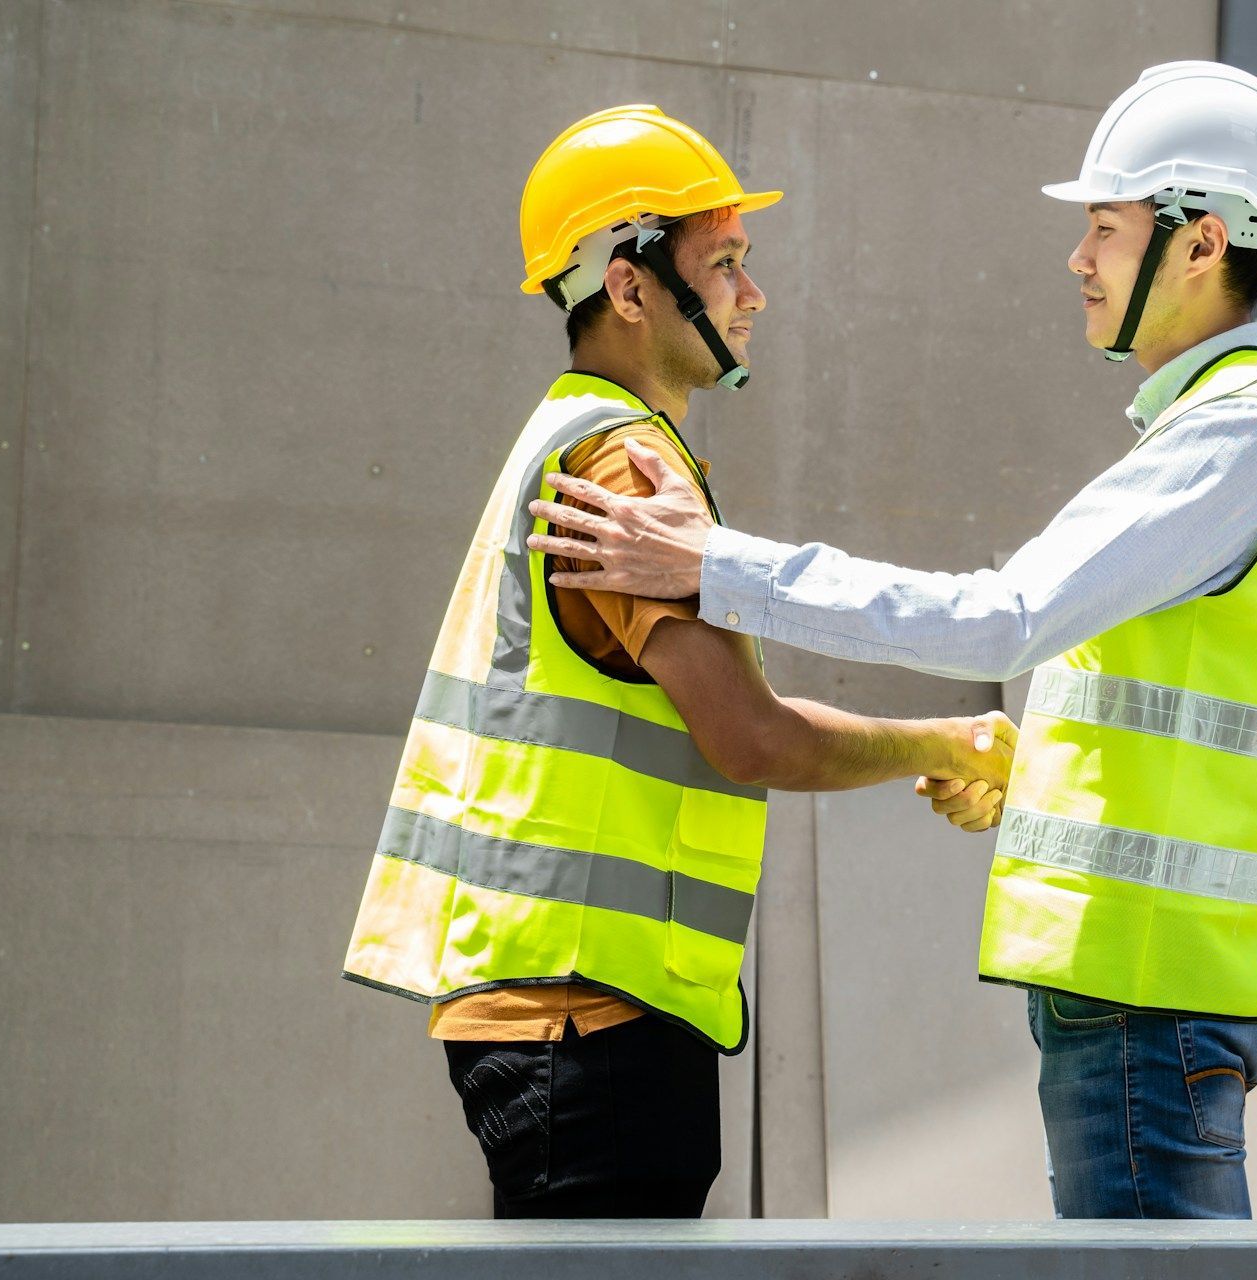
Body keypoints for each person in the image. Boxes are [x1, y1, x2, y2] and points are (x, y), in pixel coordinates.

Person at [516, 64, 1257, 1220]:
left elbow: (1005, 615)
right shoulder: (1233, 429)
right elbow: (1161, 702)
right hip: (1146, 981)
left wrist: (715, 566)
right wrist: (1001, 764)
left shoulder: (1242, 431)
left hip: (1151, 989)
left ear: (1201, 243)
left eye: (1103, 229)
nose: (1079, 258)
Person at [341, 104, 1013, 1220]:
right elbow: (749, 735)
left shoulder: (573, 435)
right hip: (588, 1024)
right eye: (728, 262)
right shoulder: (622, 463)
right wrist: (952, 741)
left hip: (561, 1010)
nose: (756, 295)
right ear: (630, 284)